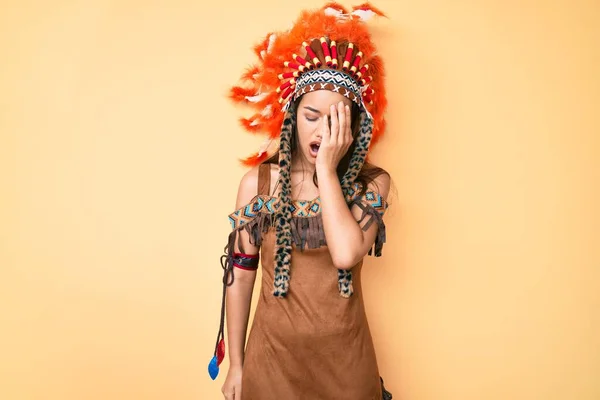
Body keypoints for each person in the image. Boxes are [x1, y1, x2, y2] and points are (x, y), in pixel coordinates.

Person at [208, 3, 394, 399]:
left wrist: (325, 171)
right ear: (292, 115)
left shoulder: (372, 186)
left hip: (346, 364)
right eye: (312, 116)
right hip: (271, 363)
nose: (322, 131)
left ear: (354, 127)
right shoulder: (258, 184)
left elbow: (345, 254)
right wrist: (237, 366)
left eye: (336, 120)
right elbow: (241, 276)